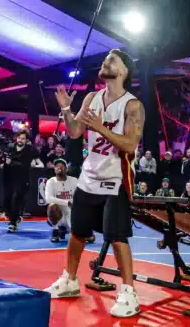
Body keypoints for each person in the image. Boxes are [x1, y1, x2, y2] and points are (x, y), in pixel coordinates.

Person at [45, 49, 144, 319]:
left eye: (112, 60)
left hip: (116, 179)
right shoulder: (92, 97)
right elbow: (75, 132)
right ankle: (70, 279)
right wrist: (66, 109)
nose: (105, 62)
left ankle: (129, 292)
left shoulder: (132, 106)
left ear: (123, 71)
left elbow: (130, 145)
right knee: (77, 233)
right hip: (89, 177)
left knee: (117, 236)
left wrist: (100, 128)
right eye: (105, 59)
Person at [0, 130, 38, 232]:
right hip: (8, 177)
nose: (20, 140)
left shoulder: (30, 149)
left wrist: (11, 162)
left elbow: (25, 164)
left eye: (23, 139)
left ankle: (13, 223)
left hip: (21, 179)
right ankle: (15, 218)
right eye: (19, 138)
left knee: (16, 199)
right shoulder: (10, 147)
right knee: (6, 200)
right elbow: (3, 159)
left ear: (26, 140)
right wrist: (1, 160)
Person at [44, 158, 78, 243]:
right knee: (52, 206)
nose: (59, 167)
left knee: (90, 238)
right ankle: (56, 229)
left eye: (61, 166)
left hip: (72, 214)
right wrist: (67, 202)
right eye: (56, 166)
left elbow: (80, 197)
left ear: (66, 169)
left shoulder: (74, 180)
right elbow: (48, 198)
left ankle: (65, 230)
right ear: (54, 169)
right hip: (59, 214)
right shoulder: (51, 181)